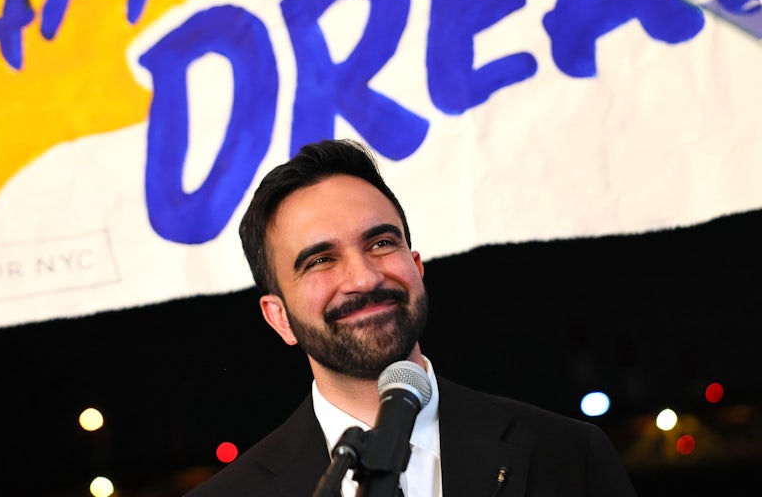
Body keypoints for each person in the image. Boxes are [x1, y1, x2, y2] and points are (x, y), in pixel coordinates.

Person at [184, 139, 638, 497]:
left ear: (416, 268)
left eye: (381, 243)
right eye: (320, 260)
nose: (363, 277)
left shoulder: (568, 455)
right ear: (278, 318)